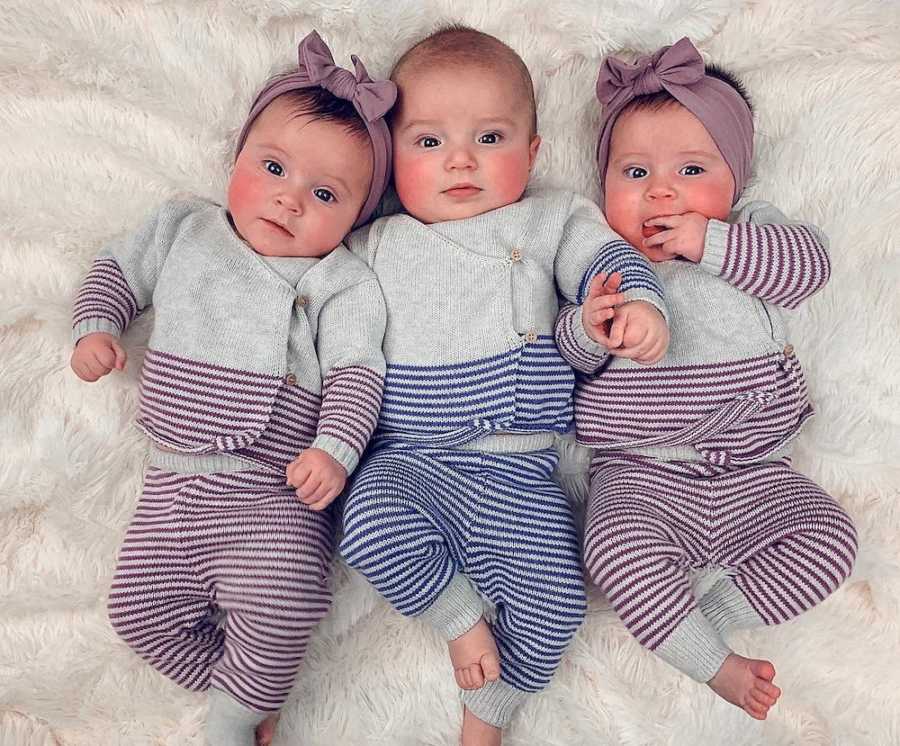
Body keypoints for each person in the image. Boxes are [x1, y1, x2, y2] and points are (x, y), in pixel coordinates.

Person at [338, 26, 669, 745]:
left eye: (490, 138)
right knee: (362, 522)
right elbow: (316, 312)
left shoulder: (550, 217)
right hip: (412, 462)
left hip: (520, 473)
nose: (460, 159)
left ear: (534, 151)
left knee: (557, 606)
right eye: (428, 143)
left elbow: (608, 262)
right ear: (391, 159)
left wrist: (640, 305)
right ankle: (458, 619)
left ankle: (487, 716)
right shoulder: (374, 244)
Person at [69, 31, 393, 746]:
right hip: (172, 490)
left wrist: (335, 449)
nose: (288, 199)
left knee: (283, 605)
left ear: (356, 218)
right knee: (135, 614)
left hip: (271, 497)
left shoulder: (339, 280)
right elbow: (117, 270)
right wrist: (97, 326)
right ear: (236, 158)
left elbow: (357, 372)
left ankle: (231, 725)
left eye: (325, 193)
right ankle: (249, 693)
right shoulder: (186, 230)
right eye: (273, 166)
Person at [558, 37, 858, 721]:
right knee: (610, 546)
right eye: (634, 173)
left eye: (691, 169)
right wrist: (586, 327)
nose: (661, 192)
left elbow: (808, 269)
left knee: (832, 538)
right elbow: (558, 366)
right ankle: (709, 662)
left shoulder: (748, 233)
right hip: (642, 474)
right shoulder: (597, 257)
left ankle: (704, 619)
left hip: (755, 471)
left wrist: (708, 241)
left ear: (735, 181)